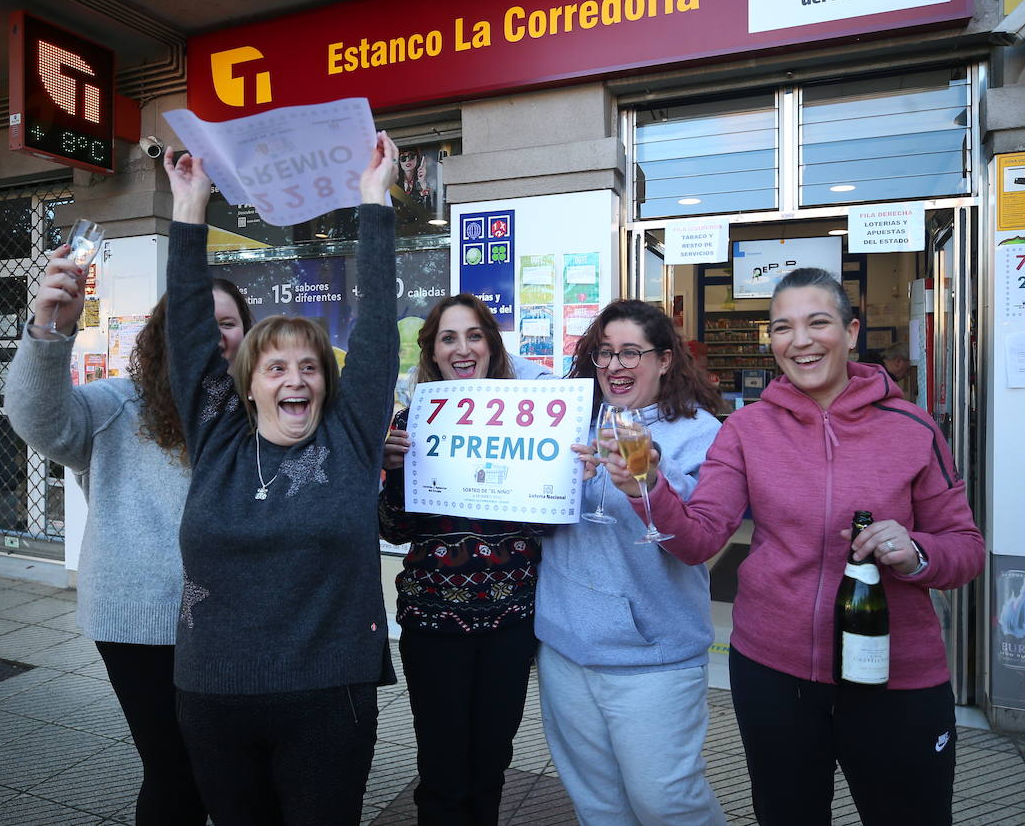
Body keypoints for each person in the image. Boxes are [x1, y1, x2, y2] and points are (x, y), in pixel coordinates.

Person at [609, 268, 984, 826]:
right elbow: (699, 538)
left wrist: (917, 552)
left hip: (895, 674)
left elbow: (966, 549)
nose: (800, 341)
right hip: (772, 670)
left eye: (818, 323)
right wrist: (650, 487)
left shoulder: (911, 425)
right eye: (783, 327)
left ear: (852, 332)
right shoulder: (746, 428)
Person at [160, 133, 400, 825]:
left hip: (331, 698)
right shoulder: (217, 438)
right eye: (275, 367)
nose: (295, 379)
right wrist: (189, 209)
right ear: (249, 383)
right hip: (212, 696)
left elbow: (380, 328)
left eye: (310, 367)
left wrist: (372, 200)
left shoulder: (350, 439)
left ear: (327, 380)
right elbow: (188, 328)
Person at [6, 256, 253, 826]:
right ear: (164, 333)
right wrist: (50, 329)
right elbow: (35, 418)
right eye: (195, 320)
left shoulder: (259, 408)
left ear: (247, 333)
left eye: (226, 322)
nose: (212, 335)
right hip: (143, 624)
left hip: (237, 625)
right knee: (174, 771)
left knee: (230, 770)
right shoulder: (118, 404)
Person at [535, 298, 729, 825]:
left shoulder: (700, 433)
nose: (615, 366)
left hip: (654, 659)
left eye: (630, 353)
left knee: (667, 802)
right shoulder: (570, 421)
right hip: (565, 650)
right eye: (604, 354)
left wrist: (651, 475)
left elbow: (697, 536)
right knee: (598, 805)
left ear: (665, 360)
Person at [378, 293, 543, 825]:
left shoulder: (528, 417)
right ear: (432, 350)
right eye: (449, 337)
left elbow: (547, 523)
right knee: (443, 770)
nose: (463, 347)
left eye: (474, 335)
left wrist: (566, 477)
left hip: (510, 620)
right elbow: (395, 529)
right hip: (434, 622)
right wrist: (395, 472)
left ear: (492, 348)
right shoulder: (414, 419)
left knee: (492, 762)